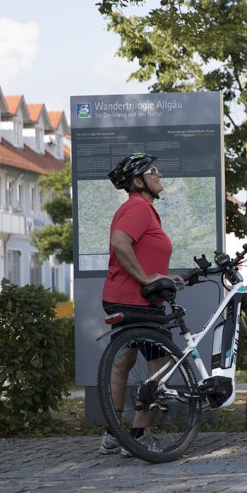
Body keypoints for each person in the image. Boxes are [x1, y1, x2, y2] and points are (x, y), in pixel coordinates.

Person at [98, 152, 180, 456]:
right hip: (138, 302)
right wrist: (147, 279)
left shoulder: (139, 209)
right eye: (153, 171)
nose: (159, 175)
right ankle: (138, 434)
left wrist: (162, 277)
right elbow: (120, 243)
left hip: (125, 297)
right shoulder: (137, 208)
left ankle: (113, 435)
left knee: (123, 363)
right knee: (161, 366)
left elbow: (140, 249)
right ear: (137, 180)